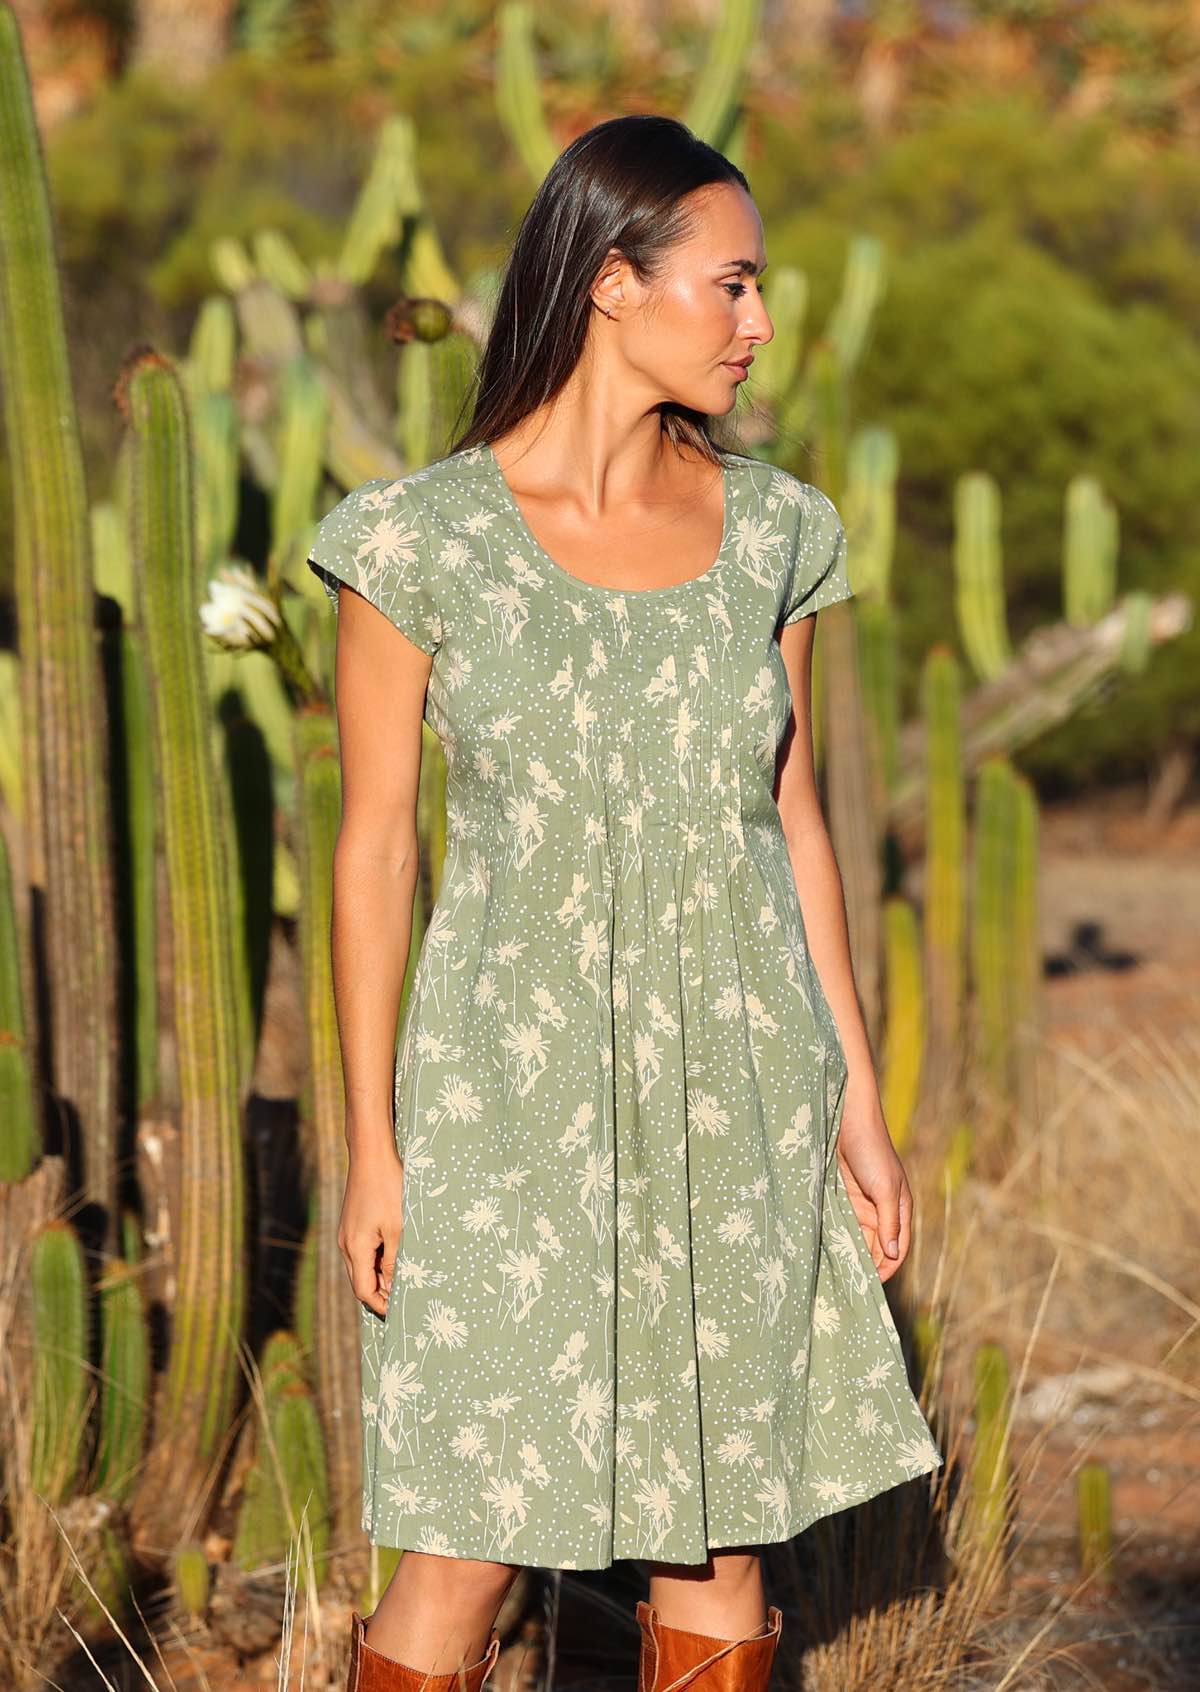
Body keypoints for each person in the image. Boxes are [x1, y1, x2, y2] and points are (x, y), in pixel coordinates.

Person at [308, 113, 943, 1692]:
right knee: (460, 1551)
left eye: (763, 290)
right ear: (611, 283)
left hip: (733, 1085)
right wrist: (374, 1146)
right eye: (730, 286)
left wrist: (858, 1106)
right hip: (505, 1098)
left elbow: (795, 827)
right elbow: (375, 851)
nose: (759, 324)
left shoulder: (777, 536)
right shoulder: (417, 540)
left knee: (719, 1550)